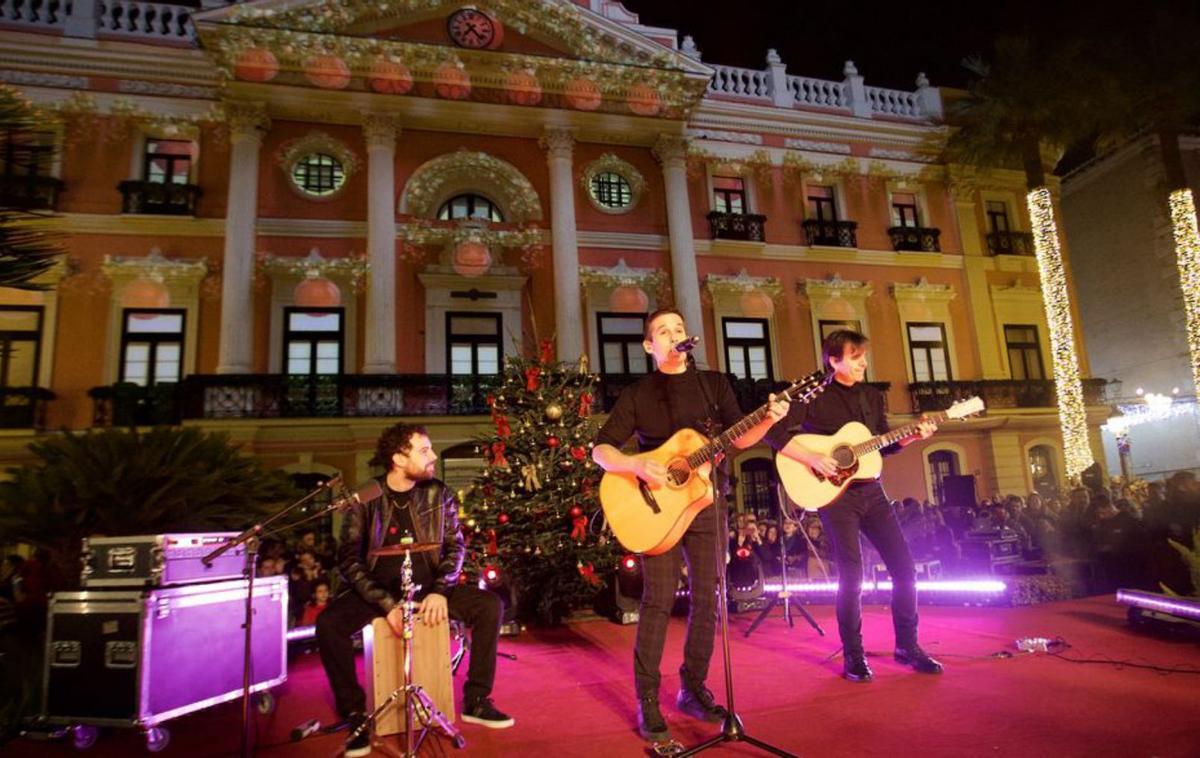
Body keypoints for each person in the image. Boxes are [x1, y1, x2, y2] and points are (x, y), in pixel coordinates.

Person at [592, 308, 790, 742]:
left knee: (708, 596)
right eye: (664, 331)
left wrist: (771, 418)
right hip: (656, 511)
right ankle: (647, 698)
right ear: (650, 346)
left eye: (679, 328)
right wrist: (637, 465)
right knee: (658, 601)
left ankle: (693, 687)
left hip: (704, 501)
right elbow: (601, 451)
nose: (674, 335)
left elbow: (738, 437)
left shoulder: (712, 383)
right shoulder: (640, 393)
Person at [316, 423, 513, 758]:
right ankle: (354, 713)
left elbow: (455, 549)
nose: (433, 456)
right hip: (378, 593)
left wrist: (440, 590)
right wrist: (386, 604)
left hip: (430, 589)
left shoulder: (440, 494)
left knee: (489, 605)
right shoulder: (365, 498)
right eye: (424, 451)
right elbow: (349, 560)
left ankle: (476, 699)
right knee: (328, 625)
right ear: (398, 458)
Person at [766, 329, 942, 682]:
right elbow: (774, 432)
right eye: (856, 355)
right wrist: (814, 458)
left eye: (864, 355)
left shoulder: (872, 397)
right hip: (835, 496)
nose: (864, 362)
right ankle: (854, 656)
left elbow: (884, 444)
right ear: (834, 360)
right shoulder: (814, 394)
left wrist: (911, 436)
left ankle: (907, 645)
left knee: (905, 569)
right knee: (852, 575)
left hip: (872, 492)